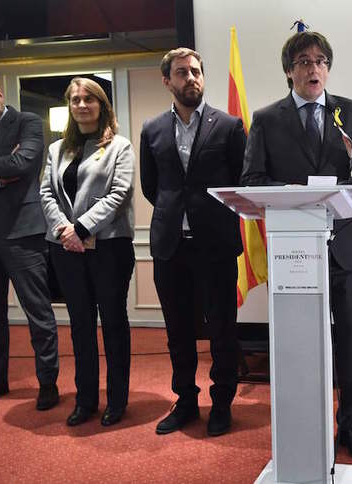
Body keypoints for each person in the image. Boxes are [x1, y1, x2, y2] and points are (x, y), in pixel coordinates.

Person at [241, 30, 352, 461]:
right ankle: (307, 421)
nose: (313, 68)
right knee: (300, 340)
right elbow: (251, 180)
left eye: (321, 61)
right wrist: (292, 192)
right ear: (289, 71)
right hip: (293, 250)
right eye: (304, 61)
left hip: (343, 247)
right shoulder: (267, 118)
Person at [140, 48, 245, 437]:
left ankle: (222, 404)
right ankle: (185, 401)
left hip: (216, 244)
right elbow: (153, 188)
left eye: (196, 71)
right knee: (178, 331)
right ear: (167, 81)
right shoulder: (151, 129)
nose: (191, 78)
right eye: (182, 72)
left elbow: (241, 180)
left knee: (222, 329)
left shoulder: (229, 126)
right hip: (171, 246)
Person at [40, 77, 135, 426]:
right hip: (66, 249)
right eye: (75, 99)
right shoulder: (56, 149)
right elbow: (46, 194)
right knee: (80, 325)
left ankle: (118, 400)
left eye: (88, 99)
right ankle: (85, 400)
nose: (81, 105)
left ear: (101, 105)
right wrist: (66, 231)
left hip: (109, 247)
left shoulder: (119, 147)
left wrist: (81, 228)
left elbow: (119, 193)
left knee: (112, 323)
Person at [0, 69, 59, 410]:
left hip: (23, 229)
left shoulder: (28, 122)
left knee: (37, 310)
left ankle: (48, 382)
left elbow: (25, 162)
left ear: (0, 92)